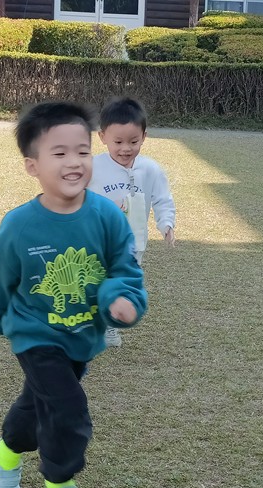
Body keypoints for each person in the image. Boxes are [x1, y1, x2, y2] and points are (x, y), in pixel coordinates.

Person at [0, 101, 147, 488]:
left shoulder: (107, 216)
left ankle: (0, 459)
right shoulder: (20, 225)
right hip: (34, 332)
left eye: (82, 151)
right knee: (67, 407)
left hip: (82, 335)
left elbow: (124, 271)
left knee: (36, 407)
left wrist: (123, 301)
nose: (74, 162)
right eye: (60, 153)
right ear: (33, 166)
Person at [89, 97, 176, 347]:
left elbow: (162, 199)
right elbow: (75, 195)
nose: (125, 148)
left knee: (121, 285)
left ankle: (109, 326)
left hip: (133, 243)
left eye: (133, 142)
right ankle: (92, 322)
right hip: (98, 240)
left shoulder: (151, 169)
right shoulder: (93, 167)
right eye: (118, 142)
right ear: (103, 137)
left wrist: (166, 224)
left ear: (144, 137)